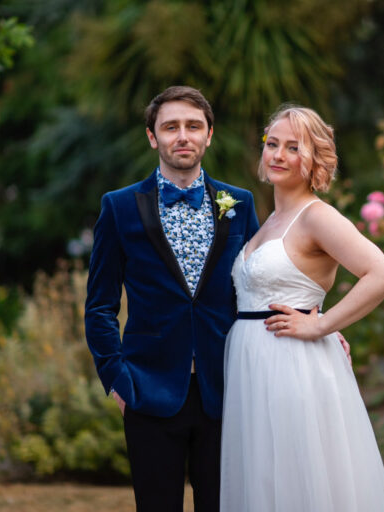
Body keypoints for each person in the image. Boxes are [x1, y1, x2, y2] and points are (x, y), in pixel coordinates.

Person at [84, 85, 260, 511]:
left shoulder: (239, 203)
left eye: (193, 126)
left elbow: (260, 286)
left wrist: (317, 323)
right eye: (170, 127)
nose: (182, 135)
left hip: (225, 389)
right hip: (148, 390)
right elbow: (100, 306)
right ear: (152, 137)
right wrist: (117, 381)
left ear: (209, 135)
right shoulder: (120, 207)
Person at [220, 105, 384, 511]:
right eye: (273, 144)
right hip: (251, 366)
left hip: (292, 366)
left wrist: (323, 325)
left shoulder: (317, 217)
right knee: (263, 481)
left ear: (314, 157)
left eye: (293, 147)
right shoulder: (267, 222)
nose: (278, 155)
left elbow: (382, 275)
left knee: (297, 480)